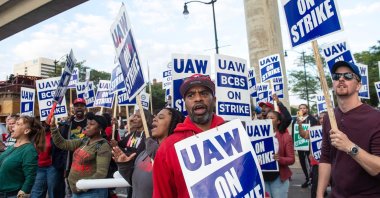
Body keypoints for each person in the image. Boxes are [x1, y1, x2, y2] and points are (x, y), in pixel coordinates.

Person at [153, 74, 225, 197]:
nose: (198, 99)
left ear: (214, 100)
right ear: (185, 103)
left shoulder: (234, 135)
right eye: (190, 95)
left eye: (204, 93)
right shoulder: (168, 149)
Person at [317, 61, 380, 197]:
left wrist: (350, 147)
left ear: (358, 86)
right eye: (336, 76)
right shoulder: (329, 117)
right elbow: (325, 159)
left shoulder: (376, 118)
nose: (341, 78)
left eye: (348, 76)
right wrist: (319, 194)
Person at [113, 108, 184, 198]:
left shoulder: (178, 154)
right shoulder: (144, 153)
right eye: (155, 116)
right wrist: (124, 165)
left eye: (161, 117)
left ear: (173, 124)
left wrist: (156, 152)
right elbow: (135, 182)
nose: (154, 119)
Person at [50, 112, 112, 198]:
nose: (87, 126)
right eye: (87, 124)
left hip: (92, 193)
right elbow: (62, 143)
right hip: (77, 191)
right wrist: (53, 127)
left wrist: (82, 186)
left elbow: (101, 174)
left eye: (92, 124)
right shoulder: (84, 141)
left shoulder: (103, 146)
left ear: (100, 128)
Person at [0, 116, 45, 197]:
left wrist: (23, 192)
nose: (12, 126)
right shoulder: (11, 147)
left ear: (26, 131)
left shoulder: (29, 150)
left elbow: (30, 176)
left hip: (11, 195)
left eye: (17, 124)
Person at [264, 110, 295, 198]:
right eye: (267, 118)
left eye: (272, 118)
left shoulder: (285, 137)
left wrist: (279, 159)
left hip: (278, 177)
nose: (268, 119)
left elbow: (291, 159)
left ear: (278, 122)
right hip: (263, 177)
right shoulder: (258, 136)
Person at [30, 122, 65, 198]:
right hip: (39, 167)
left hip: (53, 167)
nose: (44, 125)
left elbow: (62, 149)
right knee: (36, 192)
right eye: (43, 123)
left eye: (46, 123)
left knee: (54, 192)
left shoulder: (57, 134)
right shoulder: (35, 135)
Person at [298, 111, 327, 198]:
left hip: (332, 163)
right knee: (316, 187)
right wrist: (300, 125)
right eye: (320, 118)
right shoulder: (314, 129)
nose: (321, 119)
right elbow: (304, 135)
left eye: (324, 117)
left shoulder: (335, 129)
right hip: (317, 163)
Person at [292, 104, 318, 188]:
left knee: (311, 162)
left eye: (304, 108)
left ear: (307, 109)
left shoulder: (312, 119)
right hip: (300, 144)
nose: (302, 109)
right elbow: (293, 132)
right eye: (300, 108)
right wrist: (294, 144)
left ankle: (313, 179)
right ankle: (307, 178)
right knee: (303, 162)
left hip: (309, 145)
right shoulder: (296, 120)